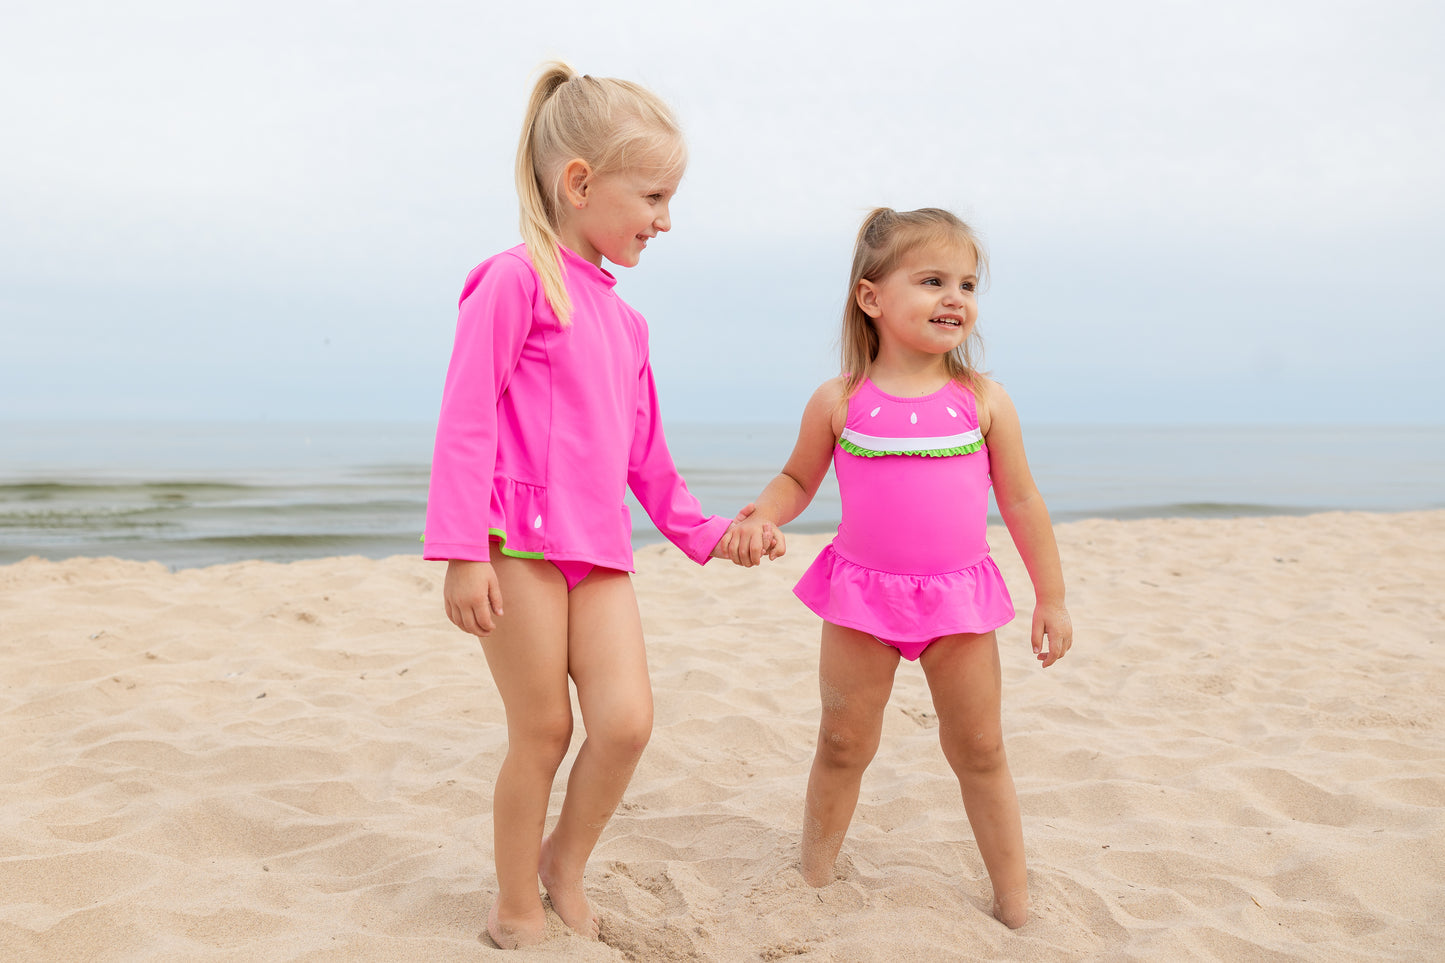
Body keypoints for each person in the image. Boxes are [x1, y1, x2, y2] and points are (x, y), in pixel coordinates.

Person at [424, 62, 760, 949]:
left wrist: (711, 534)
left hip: (599, 550)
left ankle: (561, 861)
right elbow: (464, 421)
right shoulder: (512, 281)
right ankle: (515, 900)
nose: (665, 218)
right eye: (652, 194)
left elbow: (647, 460)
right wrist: (460, 549)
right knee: (541, 730)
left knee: (625, 721)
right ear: (579, 183)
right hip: (515, 545)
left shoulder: (629, 324)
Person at [722, 207, 1073, 928]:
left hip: (959, 599)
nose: (956, 297)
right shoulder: (839, 400)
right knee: (843, 739)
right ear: (870, 296)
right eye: (932, 280)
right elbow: (795, 479)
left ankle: (1014, 902)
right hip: (859, 595)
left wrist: (1052, 597)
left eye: (967, 283)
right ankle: (814, 873)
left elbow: (1021, 499)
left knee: (979, 747)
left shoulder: (982, 400)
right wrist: (761, 514)